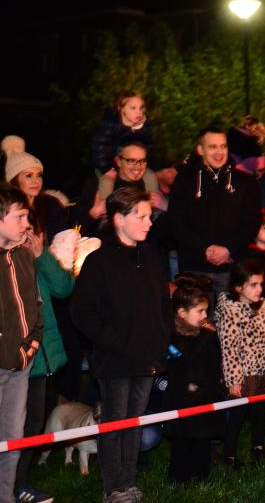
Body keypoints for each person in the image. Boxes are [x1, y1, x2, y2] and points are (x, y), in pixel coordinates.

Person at [71, 186, 171, 503]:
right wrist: (117, 342)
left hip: (146, 359)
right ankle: (113, 487)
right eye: (140, 216)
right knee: (115, 423)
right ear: (118, 219)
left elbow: (162, 307)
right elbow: (83, 312)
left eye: (149, 215)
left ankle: (128, 482)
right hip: (114, 361)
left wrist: (159, 343)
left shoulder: (152, 257)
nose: (149, 222)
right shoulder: (99, 262)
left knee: (134, 423)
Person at [13, 228, 74, 503]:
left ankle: (17, 483)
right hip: (15, 360)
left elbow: (64, 287)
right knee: (13, 427)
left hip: (40, 360)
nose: (27, 228)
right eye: (20, 218)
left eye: (28, 219)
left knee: (32, 424)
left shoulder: (34, 257)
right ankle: (12, 485)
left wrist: (42, 256)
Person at [216, 259, 265, 467]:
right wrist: (234, 379)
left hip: (264, 372)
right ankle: (229, 455)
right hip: (243, 374)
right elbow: (229, 349)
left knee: (260, 413)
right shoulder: (229, 312)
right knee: (238, 415)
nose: (260, 289)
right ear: (238, 287)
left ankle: (258, 448)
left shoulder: (264, 308)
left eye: (261, 284)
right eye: (253, 285)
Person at [168, 126, 262, 294]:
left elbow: (252, 222)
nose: (219, 152)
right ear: (200, 149)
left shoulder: (245, 182)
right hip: (194, 267)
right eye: (212, 147)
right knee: (198, 320)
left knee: (232, 320)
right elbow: (177, 222)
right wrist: (205, 249)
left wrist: (227, 249)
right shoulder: (184, 181)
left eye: (223, 146)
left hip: (233, 269)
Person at [0, 183, 42, 503]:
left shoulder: (25, 256)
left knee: (12, 440)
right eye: (20, 216)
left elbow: (35, 305)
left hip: (21, 366)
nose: (27, 224)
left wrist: (33, 342)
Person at [165, 273, 224, 483]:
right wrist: (207, 337)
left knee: (203, 439)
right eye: (200, 311)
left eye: (206, 310)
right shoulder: (172, 336)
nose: (205, 315)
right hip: (182, 399)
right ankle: (178, 478)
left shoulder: (205, 335)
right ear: (181, 313)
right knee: (183, 441)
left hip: (205, 397)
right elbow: (185, 358)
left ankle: (202, 476)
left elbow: (214, 363)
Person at [77, 140, 162, 237]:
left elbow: (160, 230)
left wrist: (165, 205)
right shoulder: (99, 184)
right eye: (131, 161)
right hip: (103, 247)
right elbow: (74, 228)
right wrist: (94, 213)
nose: (138, 166)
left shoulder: (149, 184)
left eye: (142, 161)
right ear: (118, 161)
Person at [3, 137, 68, 241]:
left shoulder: (51, 205)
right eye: (28, 175)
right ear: (14, 180)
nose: (36, 181)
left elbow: (64, 241)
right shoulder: (6, 211)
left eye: (38, 175)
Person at [90, 91, 154, 174]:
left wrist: (140, 164)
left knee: (150, 177)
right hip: (109, 167)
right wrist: (107, 169)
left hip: (134, 167)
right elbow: (99, 148)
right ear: (121, 108)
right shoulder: (110, 124)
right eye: (133, 108)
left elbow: (148, 147)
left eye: (141, 108)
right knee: (107, 183)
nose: (138, 112)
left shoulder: (145, 126)